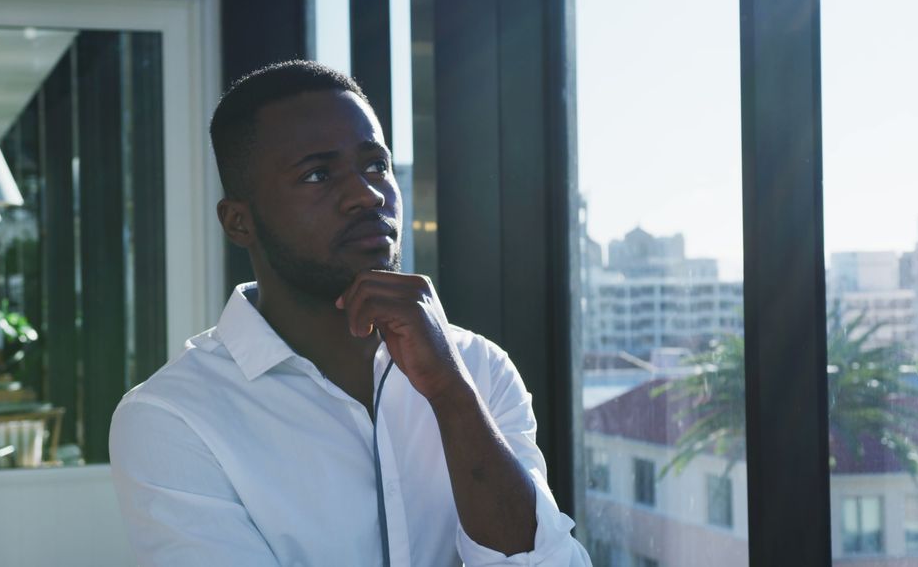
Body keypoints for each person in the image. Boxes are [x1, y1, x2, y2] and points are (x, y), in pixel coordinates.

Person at [109, 60, 591, 566]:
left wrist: (450, 394)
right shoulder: (171, 419)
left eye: (376, 165)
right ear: (239, 222)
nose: (368, 194)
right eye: (318, 174)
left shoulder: (478, 369)